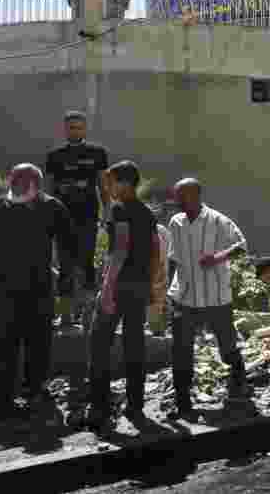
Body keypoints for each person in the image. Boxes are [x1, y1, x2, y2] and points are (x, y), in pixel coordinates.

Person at [0, 164, 76, 426]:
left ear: (36, 185)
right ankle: (0, 403)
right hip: (0, 291)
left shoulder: (52, 208)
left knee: (37, 345)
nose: (16, 187)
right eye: (14, 181)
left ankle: (34, 395)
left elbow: (68, 245)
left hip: (37, 290)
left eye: (23, 183)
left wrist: (66, 280)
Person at [84, 161, 159, 430]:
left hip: (119, 286)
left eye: (111, 182)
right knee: (134, 344)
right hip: (139, 287)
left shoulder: (119, 209)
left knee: (99, 343)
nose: (109, 188)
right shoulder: (147, 213)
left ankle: (99, 406)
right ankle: (135, 405)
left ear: (125, 183)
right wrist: (151, 285)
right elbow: (155, 250)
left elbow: (120, 250)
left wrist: (107, 289)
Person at [166, 178, 249, 421]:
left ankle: (238, 384)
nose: (176, 200)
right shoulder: (176, 222)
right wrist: (169, 292)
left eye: (180, 196)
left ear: (194, 196)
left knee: (228, 347)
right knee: (181, 351)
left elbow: (242, 246)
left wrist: (217, 257)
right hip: (185, 298)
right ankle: (183, 402)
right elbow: (173, 258)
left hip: (216, 298)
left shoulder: (217, 220)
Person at [45, 111, 109, 324]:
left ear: (85, 129)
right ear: (65, 129)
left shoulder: (97, 153)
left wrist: (108, 212)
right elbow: (49, 190)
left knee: (87, 263)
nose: (75, 131)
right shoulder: (55, 155)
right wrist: (47, 217)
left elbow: (103, 185)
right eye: (71, 127)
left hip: (88, 217)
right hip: (62, 218)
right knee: (65, 266)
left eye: (79, 127)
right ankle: (65, 315)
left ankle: (88, 316)